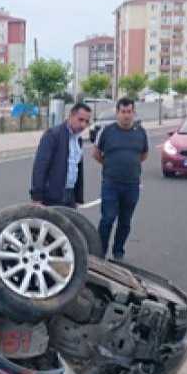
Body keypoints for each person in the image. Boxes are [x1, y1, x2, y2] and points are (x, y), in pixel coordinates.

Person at [93, 98, 149, 260]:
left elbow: (143, 155)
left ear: (133, 113)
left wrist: (129, 164)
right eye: (123, 112)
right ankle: (100, 252)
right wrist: (110, 164)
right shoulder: (107, 131)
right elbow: (96, 153)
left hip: (132, 185)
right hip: (111, 183)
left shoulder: (140, 132)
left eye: (129, 112)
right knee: (108, 218)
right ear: (117, 113)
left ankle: (118, 252)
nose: (126, 115)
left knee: (125, 221)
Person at [29, 102, 92, 207]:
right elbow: (40, 166)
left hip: (70, 195)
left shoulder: (78, 140)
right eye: (80, 120)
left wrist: (78, 197)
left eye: (87, 121)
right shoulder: (53, 135)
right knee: (52, 224)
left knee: (70, 223)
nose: (83, 125)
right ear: (71, 116)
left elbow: (78, 169)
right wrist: (37, 197)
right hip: (53, 196)